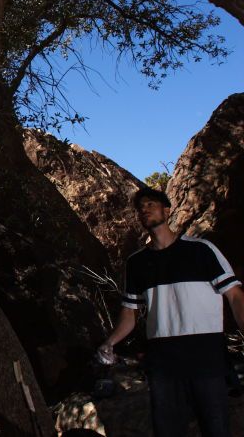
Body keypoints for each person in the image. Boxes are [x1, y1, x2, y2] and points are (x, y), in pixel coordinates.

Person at [97, 187, 244, 437]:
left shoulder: (202, 250)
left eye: (151, 204)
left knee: (216, 427)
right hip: (163, 363)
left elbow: (235, 295)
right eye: (141, 208)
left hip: (206, 357)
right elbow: (129, 312)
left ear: (167, 209)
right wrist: (109, 342)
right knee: (168, 430)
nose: (145, 210)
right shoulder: (136, 263)